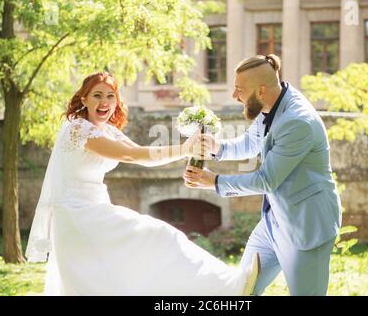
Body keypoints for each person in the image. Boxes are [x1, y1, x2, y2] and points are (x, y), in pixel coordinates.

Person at [25, 71, 259, 296]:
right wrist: (185, 149)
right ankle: (230, 288)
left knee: (136, 262)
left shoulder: (108, 131)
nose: (104, 102)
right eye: (97, 95)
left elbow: (141, 155)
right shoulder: (78, 129)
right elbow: (130, 156)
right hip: (76, 215)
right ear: (84, 99)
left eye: (110, 96)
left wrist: (188, 151)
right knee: (157, 239)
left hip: (95, 211)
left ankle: (228, 286)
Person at [183, 54, 342, 296]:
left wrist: (214, 182)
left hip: (306, 228)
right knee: (240, 291)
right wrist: (218, 147)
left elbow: (266, 180)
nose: (234, 96)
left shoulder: (298, 122)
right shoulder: (272, 102)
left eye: (239, 90)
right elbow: (250, 143)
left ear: (261, 90)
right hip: (272, 222)